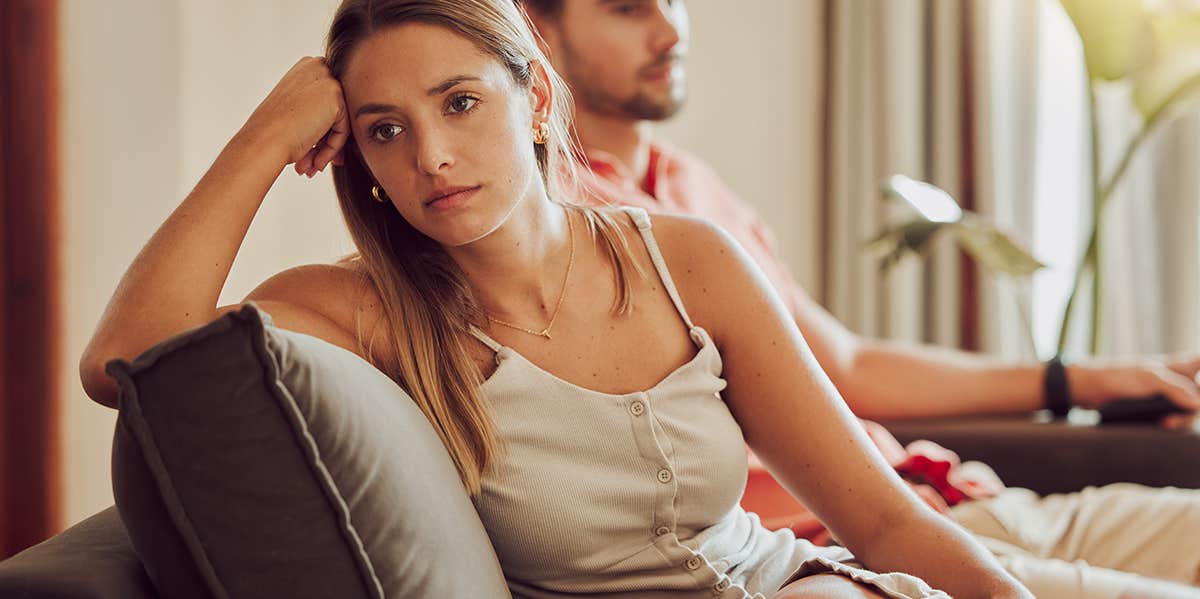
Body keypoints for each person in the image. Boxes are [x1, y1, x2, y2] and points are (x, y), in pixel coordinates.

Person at [77, 0, 1034, 597]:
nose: (432, 157)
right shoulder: (359, 312)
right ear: (353, 154)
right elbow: (124, 361)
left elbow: (885, 523)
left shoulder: (686, 260)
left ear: (535, 97)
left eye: (460, 103)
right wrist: (262, 136)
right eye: (383, 129)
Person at [516, 1, 1200, 598]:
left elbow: (846, 363)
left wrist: (1076, 379)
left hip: (953, 498)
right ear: (535, 28)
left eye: (670, 0)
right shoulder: (558, 228)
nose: (669, 30)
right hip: (851, 544)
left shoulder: (694, 186)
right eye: (626, 8)